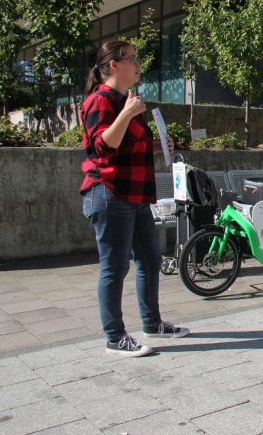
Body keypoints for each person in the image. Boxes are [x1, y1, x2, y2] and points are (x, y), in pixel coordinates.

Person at [80, 40, 189, 357]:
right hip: (110, 192)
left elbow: (127, 145)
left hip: (136, 193)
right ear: (113, 65)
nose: (139, 64)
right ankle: (114, 337)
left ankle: (152, 324)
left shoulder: (126, 99)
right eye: (132, 59)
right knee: (114, 267)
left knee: (151, 259)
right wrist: (127, 113)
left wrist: (158, 147)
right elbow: (105, 145)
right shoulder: (101, 100)